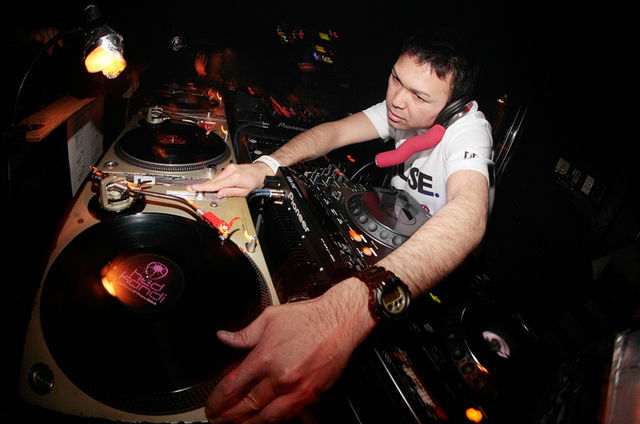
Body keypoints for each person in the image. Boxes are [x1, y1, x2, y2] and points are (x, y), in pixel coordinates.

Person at [188, 26, 493, 424]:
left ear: (453, 106)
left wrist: (346, 310)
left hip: (431, 268)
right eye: (396, 78)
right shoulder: (400, 107)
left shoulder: (469, 130)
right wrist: (266, 166)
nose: (397, 99)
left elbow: (469, 217)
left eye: (420, 96)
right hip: (388, 236)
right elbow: (333, 132)